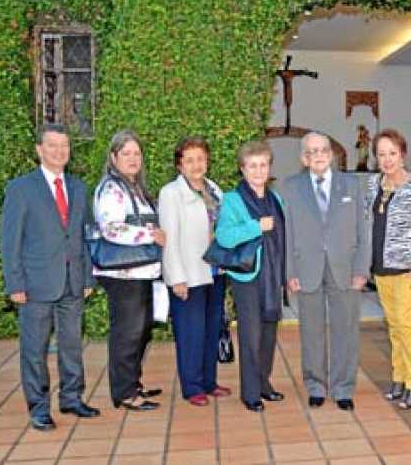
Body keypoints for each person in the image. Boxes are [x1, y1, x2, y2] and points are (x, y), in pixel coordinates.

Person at [0, 124, 100, 431]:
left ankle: (72, 398)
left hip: (72, 283)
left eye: (65, 146)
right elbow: (10, 239)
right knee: (35, 350)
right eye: (53, 146)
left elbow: (84, 237)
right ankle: (39, 407)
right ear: (39, 150)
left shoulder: (79, 188)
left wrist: (87, 278)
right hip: (35, 285)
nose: (60, 151)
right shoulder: (21, 189)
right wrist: (14, 284)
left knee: (71, 345)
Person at [282, 132, 371, 411]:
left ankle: (343, 387)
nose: (318, 155)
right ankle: (316, 385)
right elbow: (287, 232)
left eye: (323, 150)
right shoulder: (291, 186)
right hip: (306, 267)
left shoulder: (352, 185)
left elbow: (363, 230)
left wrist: (361, 268)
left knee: (346, 329)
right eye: (311, 151)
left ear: (331, 154)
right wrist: (289, 271)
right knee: (311, 330)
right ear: (303, 158)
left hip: (345, 269)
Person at [93, 130, 166, 411]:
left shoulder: (134, 187)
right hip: (124, 275)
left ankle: (132, 383)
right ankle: (124, 392)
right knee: (128, 332)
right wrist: (150, 235)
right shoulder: (112, 188)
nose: (133, 158)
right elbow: (111, 228)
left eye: (137, 153)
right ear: (114, 157)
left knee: (142, 330)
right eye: (127, 153)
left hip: (143, 272)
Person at [365, 129, 411, 410]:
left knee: (407, 324)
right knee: (393, 326)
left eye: (392, 153)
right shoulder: (372, 185)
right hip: (381, 267)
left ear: (402, 154)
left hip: (409, 268)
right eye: (381, 154)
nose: (387, 159)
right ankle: (398, 377)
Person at [159, 136, 231, 407]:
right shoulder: (171, 193)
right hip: (188, 274)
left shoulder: (214, 189)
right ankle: (192, 387)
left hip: (216, 271)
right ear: (180, 165)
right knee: (190, 332)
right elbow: (170, 238)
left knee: (212, 329)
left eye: (200, 158)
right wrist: (176, 277)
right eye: (189, 160)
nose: (196, 164)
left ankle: (209, 381)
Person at [216, 140, 287, 412]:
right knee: (251, 334)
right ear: (242, 169)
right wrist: (255, 226)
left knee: (269, 333)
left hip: (272, 276)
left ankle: (264, 383)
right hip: (247, 277)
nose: (258, 171)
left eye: (263, 165)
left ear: (269, 168)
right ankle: (250, 392)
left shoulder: (275, 198)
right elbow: (224, 236)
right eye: (252, 166)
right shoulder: (233, 200)